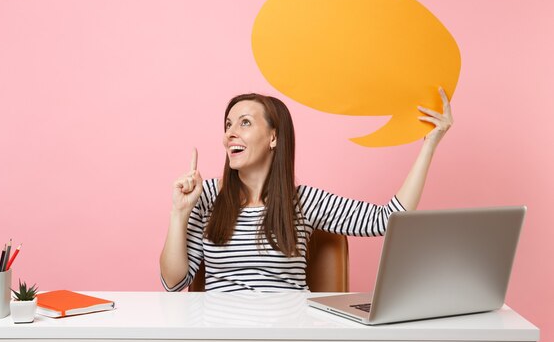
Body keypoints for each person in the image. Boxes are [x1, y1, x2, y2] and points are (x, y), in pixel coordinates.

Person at [160, 88, 453, 292]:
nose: (229, 134)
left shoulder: (304, 202)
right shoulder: (206, 196)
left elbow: (387, 218)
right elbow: (173, 283)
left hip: (288, 341)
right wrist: (180, 213)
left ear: (273, 137)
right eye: (228, 125)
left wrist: (429, 145)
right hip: (223, 341)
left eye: (244, 123)